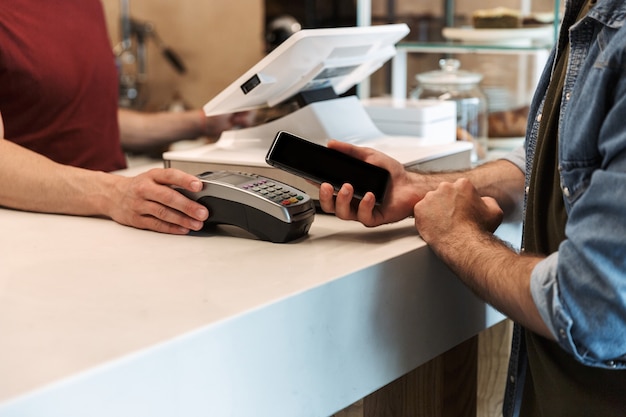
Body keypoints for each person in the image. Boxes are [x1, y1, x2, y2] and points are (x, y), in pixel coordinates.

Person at [318, 0, 626, 415]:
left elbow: (593, 304)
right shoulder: (586, 10)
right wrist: (418, 188)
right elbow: (546, 161)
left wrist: (458, 235)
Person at [0, 0, 250, 234]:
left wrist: (202, 122)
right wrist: (114, 193)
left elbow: (96, 120)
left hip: (108, 225)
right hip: (38, 230)